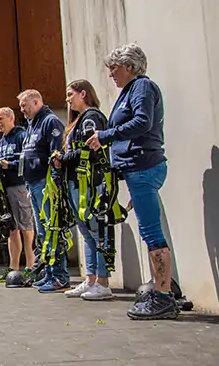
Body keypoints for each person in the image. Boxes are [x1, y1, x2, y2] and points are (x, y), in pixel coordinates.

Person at [85, 43, 177, 320]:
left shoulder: (142, 88)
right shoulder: (131, 91)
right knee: (150, 232)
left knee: (151, 234)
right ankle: (164, 288)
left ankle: (163, 297)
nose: (111, 74)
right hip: (135, 169)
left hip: (143, 168)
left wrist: (105, 136)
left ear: (129, 66)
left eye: (114, 68)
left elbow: (142, 122)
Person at [54, 80, 113, 301]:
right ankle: (90, 279)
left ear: (83, 93)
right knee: (87, 234)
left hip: (88, 181)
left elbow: (88, 148)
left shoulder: (92, 117)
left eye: (71, 94)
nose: (67, 99)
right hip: (75, 182)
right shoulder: (78, 120)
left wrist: (63, 158)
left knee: (96, 231)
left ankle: (103, 282)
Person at [18, 89, 70, 293]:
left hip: (46, 185)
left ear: (37, 102)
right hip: (33, 184)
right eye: (21, 107)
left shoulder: (50, 121)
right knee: (42, 233)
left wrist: (55, 185)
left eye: (25, 106)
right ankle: (48, 272)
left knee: (52, 230)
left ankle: (60, 276)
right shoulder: (31, 124)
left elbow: (56, 154)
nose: (22, 110)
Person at [0, 107, 35, 283]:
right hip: (5, 189)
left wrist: (8, 164)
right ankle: (13, 268)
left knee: (26, 227)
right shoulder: (1, 142)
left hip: (20, 186)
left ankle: (31, 267)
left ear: (11, 118)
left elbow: (28, 160)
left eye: (1, 119)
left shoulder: (21, 135)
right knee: (12, 229)